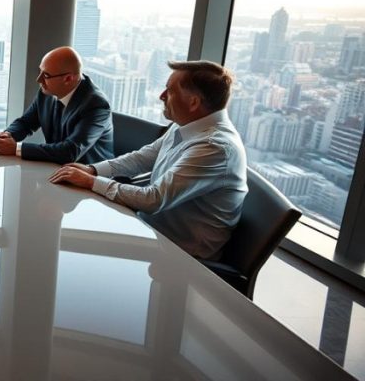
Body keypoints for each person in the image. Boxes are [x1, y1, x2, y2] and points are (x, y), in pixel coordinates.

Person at [49, 60, 248, 260]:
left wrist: (90, 182)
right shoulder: (188, 125)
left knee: (68, 243)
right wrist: (92, 170)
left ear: (194, 102)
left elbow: (154, 199)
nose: (161, 96)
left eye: (169, 91)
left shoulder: (214, 148)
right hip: (150, 230)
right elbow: (143, 158)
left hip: (180, 255)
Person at [0, 46, 113, 164]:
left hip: (88, 177)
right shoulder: (47, 92)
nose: (39, 80)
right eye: (40, 71)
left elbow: (70, 151)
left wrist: (16, 148)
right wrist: (8, 135)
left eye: (46, 75)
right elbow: (25, 123)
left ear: (68, 79)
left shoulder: (96, 105)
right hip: (55, 169)